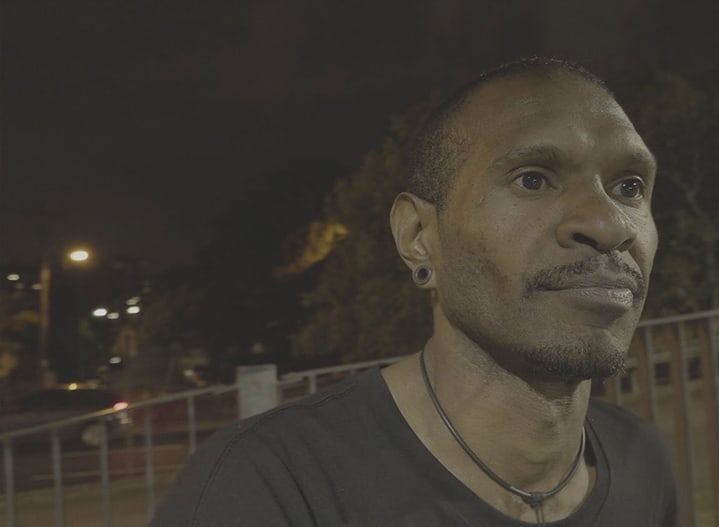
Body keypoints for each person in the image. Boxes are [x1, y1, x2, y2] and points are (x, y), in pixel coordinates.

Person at [152, 57, 679, 527]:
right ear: (418, 237)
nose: (609, 224)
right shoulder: (268, 485)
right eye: (533, 179)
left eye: (629, 187)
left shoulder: (642, 461)